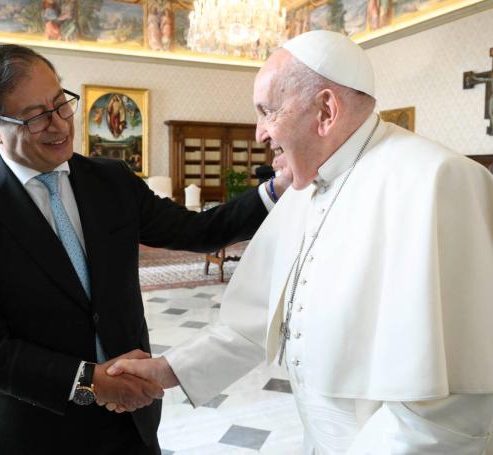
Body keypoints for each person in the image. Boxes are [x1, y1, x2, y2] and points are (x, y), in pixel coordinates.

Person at [107, 30, 493, 453]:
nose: (259, 134)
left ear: (325, 110)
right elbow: (252, 323)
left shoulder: (437, 180)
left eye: (267, 112)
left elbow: (456, 406)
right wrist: (168, 369)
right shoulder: (304, 185)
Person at [0, 44, 289, 454]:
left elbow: (198, 230)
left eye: (61, 103)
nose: (59, 124)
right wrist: (88, 381)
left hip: (129, 420)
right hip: (35, 430)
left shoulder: (110, 180)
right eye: (34, 117)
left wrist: (276, 190)